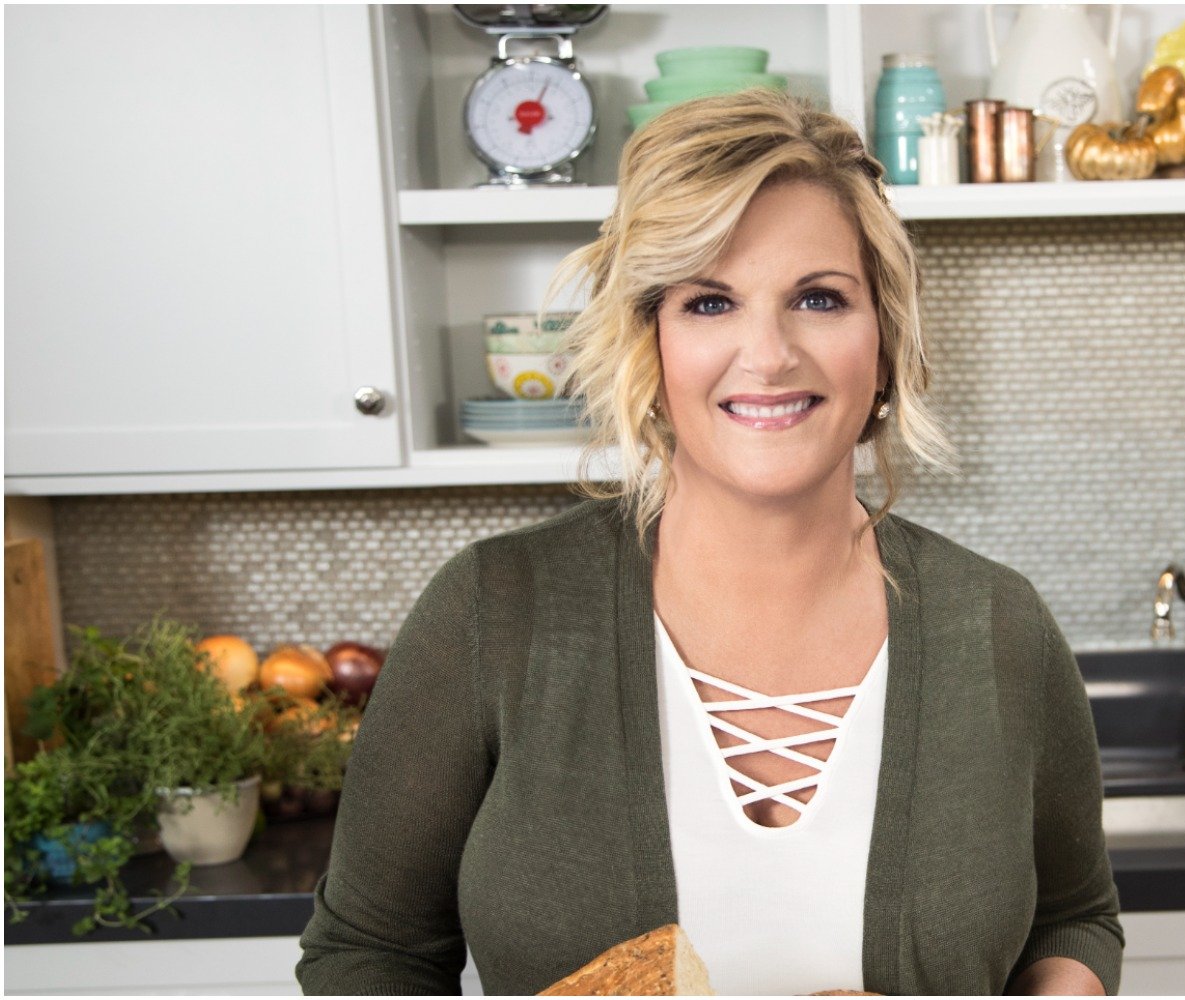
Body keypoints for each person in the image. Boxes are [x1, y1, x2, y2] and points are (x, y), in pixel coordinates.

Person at [295, 89, 1123, 996]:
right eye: (709, 302)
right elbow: (369, 953)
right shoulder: (497, 611)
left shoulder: (997, 624)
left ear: (882, 340)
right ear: (649, 341)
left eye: (818, 298)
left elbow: (1070, 916)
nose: (767, 355)